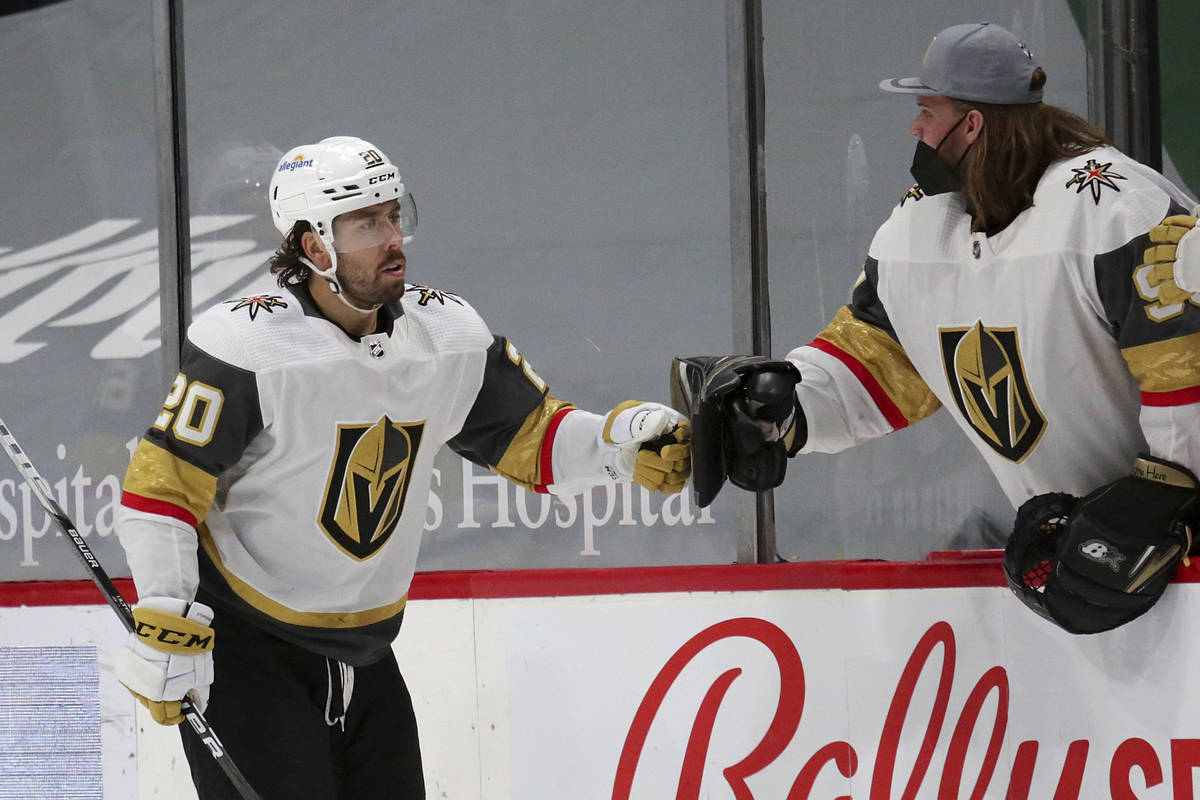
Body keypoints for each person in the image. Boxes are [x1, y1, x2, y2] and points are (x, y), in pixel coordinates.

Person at [112, 135, 690, 799]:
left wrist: (620, 445)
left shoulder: (444, 336)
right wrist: (165, 616)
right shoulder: (249, 348)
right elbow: (161, 489)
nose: (394, 239)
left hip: (368, 653)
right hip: (248, 654)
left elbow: (534, 437)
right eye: (366, 224)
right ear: (313, 246)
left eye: (393, 215)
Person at [675, 22, 1200, 634]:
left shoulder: (1120, 209)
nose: (915, 128)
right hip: (1092, 564)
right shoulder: (918, 227)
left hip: (1175, 559)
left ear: (971, 125)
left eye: (927, 110)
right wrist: (784, 407)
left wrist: (1169, 499)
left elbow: (1183, 359)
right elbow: (880, 362)